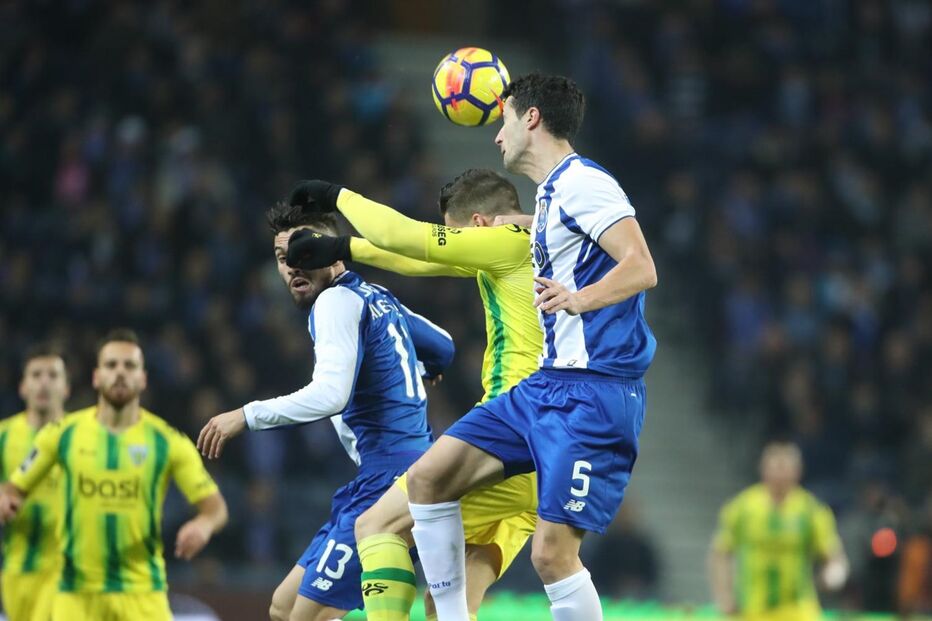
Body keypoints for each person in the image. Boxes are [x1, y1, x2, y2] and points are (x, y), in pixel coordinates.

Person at [372, 72, 657, 621]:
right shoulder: (554, 193)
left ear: (531, 118)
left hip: (595, 394)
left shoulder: (584, 183)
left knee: (551, 555)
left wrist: (579, 298)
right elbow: (567, 229)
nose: (497, 135)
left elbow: (641, 266)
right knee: (428, 478)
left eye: (503, 120)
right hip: (546, 386)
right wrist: (528, 219)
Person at [283, 168, 542, 621]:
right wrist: (343, 248)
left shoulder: (508, 241)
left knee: (377, 525)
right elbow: (416, 260)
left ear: (478, 224)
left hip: (511, 426)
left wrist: (335, 194)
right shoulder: (541, 242)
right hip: (546, 445)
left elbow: (407, 238)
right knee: (448, 608)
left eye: (454, 233)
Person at [196, 204, 455, 621]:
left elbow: (330, 395)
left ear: (335, 254)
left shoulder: (334, 302)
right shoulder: (376, 296)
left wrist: (245, 415)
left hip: (388, 479)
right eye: (282, 258)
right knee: (283, 608)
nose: (292, 266)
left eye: (305, 251)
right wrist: (430, 365)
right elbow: (443, 344)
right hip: (398, 473)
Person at [0, 329, 229, 621]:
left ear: (143, 378)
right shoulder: (61, 434)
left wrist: (203, 525)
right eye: (111, 365)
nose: (120, 372)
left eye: (129, 366)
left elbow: (215, 508)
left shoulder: (167, 441)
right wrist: (7, 498)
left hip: (143, 592)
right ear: (96, 377)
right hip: (76, 594)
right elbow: (14, 488)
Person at [709, 442, 849, 621]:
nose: (780, 475)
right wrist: (724, 595)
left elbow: (834, 557)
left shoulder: (811, 511)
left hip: (799, 612)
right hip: (753, 611)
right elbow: (720, 553)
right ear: (763, 470)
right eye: (775, 468)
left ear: (798, 472)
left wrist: (833, 574)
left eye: (785, 468)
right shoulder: (742, 508)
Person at [0, 344, 70, 621]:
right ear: (22, 387)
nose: (44, 383)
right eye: (36, 374)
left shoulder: (81, 437)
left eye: (53, 375)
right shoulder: (3, 436)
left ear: (66, 388)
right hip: (17, 569)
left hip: (67, 569)